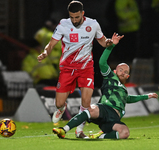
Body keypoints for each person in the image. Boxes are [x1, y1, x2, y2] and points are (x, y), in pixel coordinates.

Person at [52, 33, 158, 139]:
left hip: (114, 118)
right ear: (115, 71)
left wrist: (147, 96)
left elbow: (129, 99)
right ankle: (64, 130)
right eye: (120, 70)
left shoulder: (123, 90)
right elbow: (102, 62)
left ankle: (100, 136)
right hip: (104, 109)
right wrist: (111, 46)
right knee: (91, 109)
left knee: (124, 133)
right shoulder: (111, 77)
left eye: (125, 71)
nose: (123, 72)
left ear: (128, 76)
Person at [37, 1, 113, 138]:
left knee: (86, 101)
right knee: (58, 102)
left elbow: (102, 41)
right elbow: (51, 43)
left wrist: (108, 42)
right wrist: (45, 53)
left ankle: (79, 130)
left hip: (86, 68)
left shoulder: (93, 24)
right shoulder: (63, 24)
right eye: (71, 17)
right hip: (67, 69)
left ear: (82, 13)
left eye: (77, 17)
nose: (74, 20)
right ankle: (61, 108)